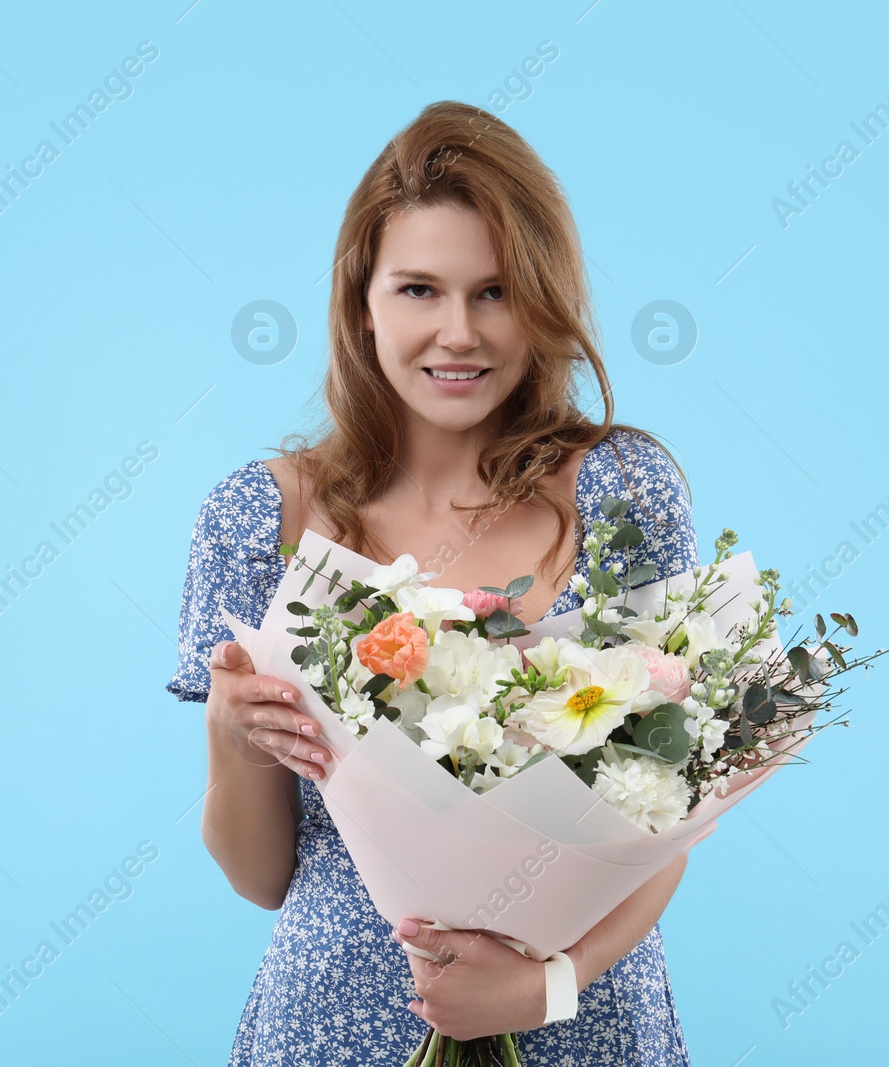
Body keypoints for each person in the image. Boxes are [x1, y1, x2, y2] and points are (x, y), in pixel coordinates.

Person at [167, 100, 700, 1065]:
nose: (458, 332)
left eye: (494, 292)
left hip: (577, 1020)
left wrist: (543, 987)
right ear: (360, 301)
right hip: (331, 1021)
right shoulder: (262, 518)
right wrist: (229, 734)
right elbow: (260, 875)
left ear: (542, 302)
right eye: (419, 289)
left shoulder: (620, 490)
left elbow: (667, 812)